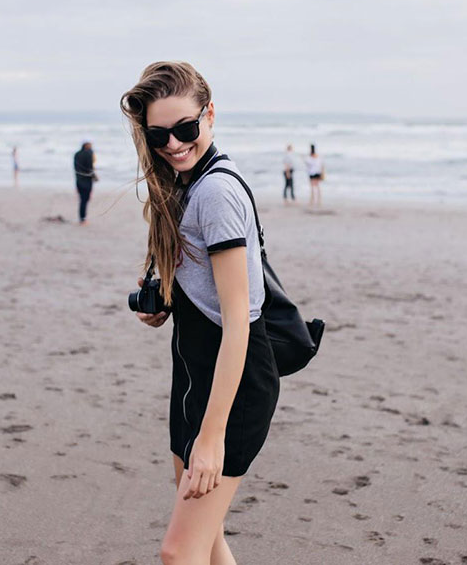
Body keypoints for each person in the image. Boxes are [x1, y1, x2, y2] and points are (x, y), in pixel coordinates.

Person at [122, 61, 279, 565]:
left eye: (185, 129)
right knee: (206, 541)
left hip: (230, 387)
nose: (172, 144)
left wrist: (211, 438)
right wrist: (166, 303)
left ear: (209, 116)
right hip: (193, 376)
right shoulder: (185, 183)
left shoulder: (214, 191)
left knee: (177, 552)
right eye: (159, 135)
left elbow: (239, 321)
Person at [73, 141, 97, 225]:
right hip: (87, 180)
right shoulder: (89, 154)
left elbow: (76, 168)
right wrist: (95, 177)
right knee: (85, 200)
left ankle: (81, 218)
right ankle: (82, 219)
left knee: (82, 199)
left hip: (78, 180)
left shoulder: (76, 154)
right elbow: (90, 168)